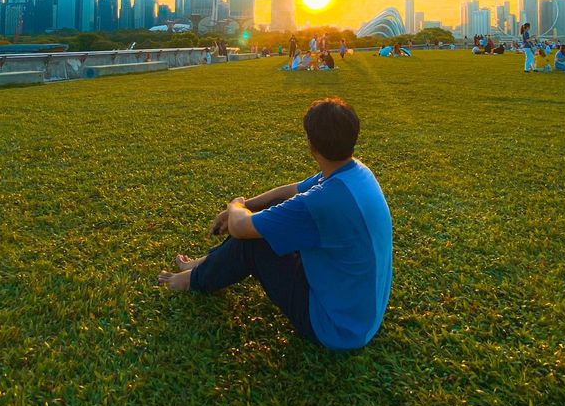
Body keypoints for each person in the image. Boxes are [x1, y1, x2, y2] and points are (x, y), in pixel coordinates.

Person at [158, 98, 393, 351]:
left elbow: (241, 228)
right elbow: (291, 191)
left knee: (255, 243)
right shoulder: (355, 172)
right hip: (361, 315)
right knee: (272, 219)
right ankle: (206, 262)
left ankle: (192, 280)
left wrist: (235, 206)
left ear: (311, 145)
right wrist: (248, 203)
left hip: (336, 328)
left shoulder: (321, 202)